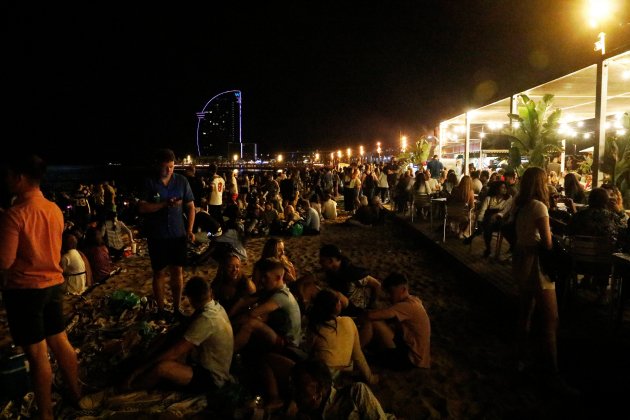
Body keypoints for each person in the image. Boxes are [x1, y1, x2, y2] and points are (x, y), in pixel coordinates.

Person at [0, 154, 81, 420]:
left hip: (26, 290)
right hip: (54, 284)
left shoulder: (15, 215)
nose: (6, 179)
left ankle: (45, 413)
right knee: (59, 340)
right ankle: (76, 393)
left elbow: (5, 261)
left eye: (9, 174)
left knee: (37, 355)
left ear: (20, 178)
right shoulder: (53, 209)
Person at [511, 166, 576, 394]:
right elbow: (547, 243)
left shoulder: (519, 205)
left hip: (521, 262)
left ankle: (521, 360)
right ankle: (552, 372)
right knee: (551, 319)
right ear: (541, 183)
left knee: (525, 313)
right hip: (538, 266)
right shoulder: (539, 206)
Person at [125, 276, 234, 393]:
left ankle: (131, 387)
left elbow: (176, 351)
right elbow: (181, 329)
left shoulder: (206, 319)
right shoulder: (215, 306)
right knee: (169, 338)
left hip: (211, 377)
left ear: (191, 300)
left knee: (162, 368)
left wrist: (141, 369)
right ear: (210, 293)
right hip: (201, 360)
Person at [138, 148, 195, 319]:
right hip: (157, 235)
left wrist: (190, 230)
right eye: (166, 167)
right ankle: (161, 309)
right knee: (159, 272)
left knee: (177, 271)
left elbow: (191, 207)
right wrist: (164, 204)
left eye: (171, 167)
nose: (169, 170)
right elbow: (142, 207)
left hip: (178, 234)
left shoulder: (182, 181)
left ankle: (177, 308)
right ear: (158, 166)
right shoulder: (149, 183)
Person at [306, 288, 378, 385]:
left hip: (324, 373)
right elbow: (358, 354)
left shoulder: (315, 328)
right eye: (338, 301)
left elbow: (308, 350)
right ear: (336, 306)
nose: (340, 302)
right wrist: (370, 378)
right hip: (345, 369)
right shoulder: (348, 321)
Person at [359, 273, 431, 370]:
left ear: (403, 290)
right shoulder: (414, 300)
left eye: (391, 292)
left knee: (370, 320)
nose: (389, 296)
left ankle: (355, 351)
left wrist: (360, 314)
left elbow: (371, 316)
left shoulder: (406, 307)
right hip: (417, 355)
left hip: (410, 358)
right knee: (375, 324)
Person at [287, 359, 395, 419]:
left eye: (300, 387)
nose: (294, 392)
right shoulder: (304, 414)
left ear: (318, 389)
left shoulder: (355, 392)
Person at [319, 244, 381, 317]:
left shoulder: (352, 274)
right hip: (343, 307)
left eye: (322, 260)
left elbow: (377, 284)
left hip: (356, 311)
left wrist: (372, 304)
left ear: (330, 260)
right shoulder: (331, 271)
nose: (320, 263)